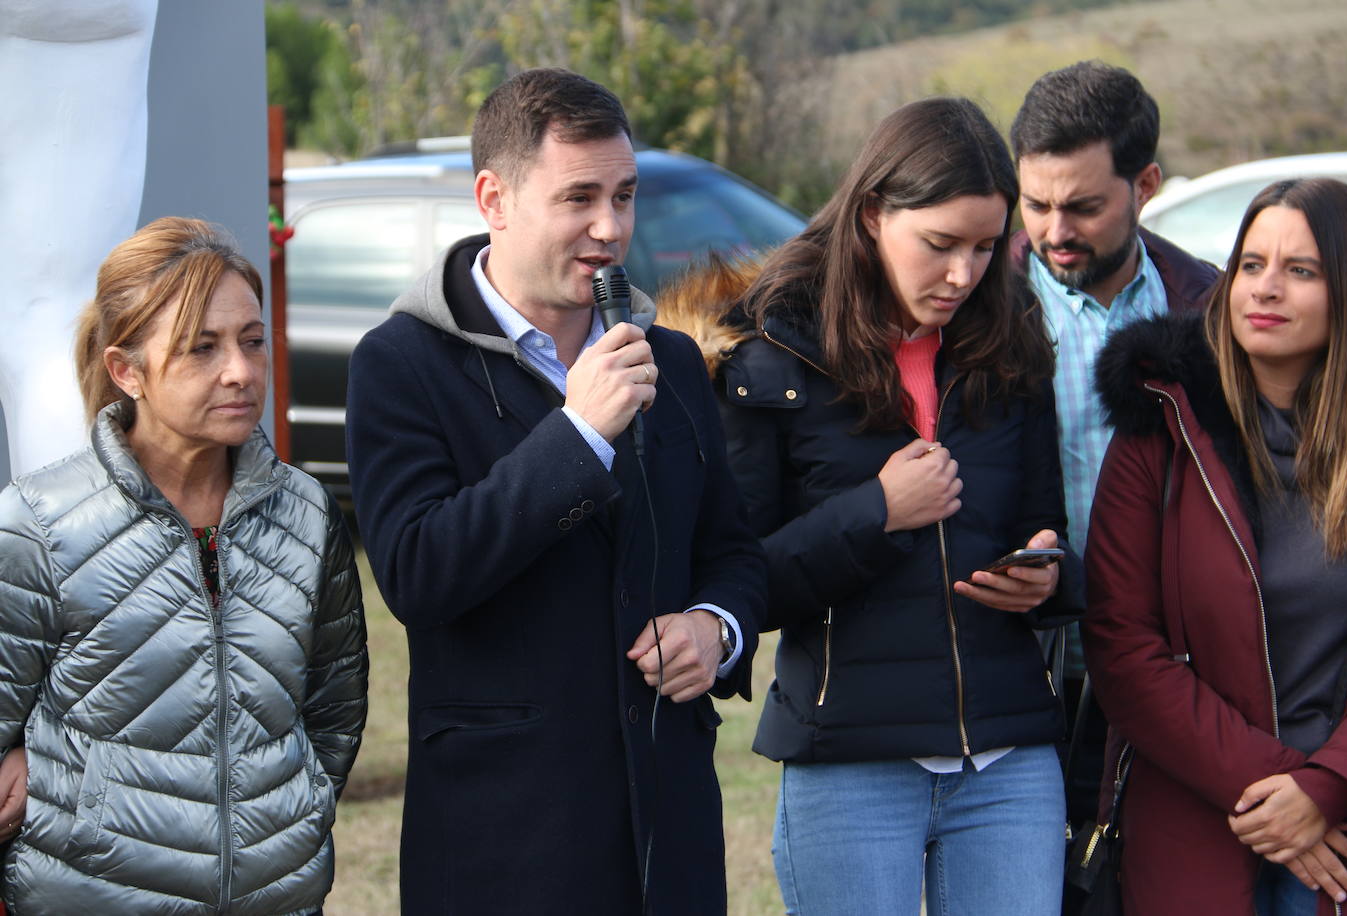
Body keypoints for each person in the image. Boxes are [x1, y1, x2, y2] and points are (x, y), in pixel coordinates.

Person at [344, 68, 766, 914]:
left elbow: (732, 554)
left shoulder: (671, 361)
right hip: (506, 840)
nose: (609, 227)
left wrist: (715, 630)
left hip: (667, 829)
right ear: (493, 199)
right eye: (578, 198)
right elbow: (419, 575)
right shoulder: (399, 365)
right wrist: (576, 436)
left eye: (625, 195)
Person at [664, 97, 1082, 914]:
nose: (963, 274)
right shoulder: (772, 350)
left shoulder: (1012, 333)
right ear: (870, 215)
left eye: (986, 248)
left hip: (1010, 760)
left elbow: (1048, 525)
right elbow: (741, 580)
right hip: (848, 763)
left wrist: (1049, 577)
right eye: (940, 244)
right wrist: (877, 512)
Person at [0, 216, 368, 912]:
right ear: (125, 370)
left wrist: (296, 814)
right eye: (202, 348)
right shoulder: (40, 523)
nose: (239, 370)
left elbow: (334, 717)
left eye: (251, 341)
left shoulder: (307, 514)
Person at [1085, 177, 1347, 914]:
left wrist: (1328, 786)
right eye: (1251, 265)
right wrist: (1281, 792)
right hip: (1198, 826)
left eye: (1300, 271)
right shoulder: (1161, 424)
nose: (1265, 289)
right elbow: (1123, 645)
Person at [1008, 59, 1219, 825]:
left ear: (1148, 184)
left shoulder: (1212, 308)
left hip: (1184, 665)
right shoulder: (977, 313)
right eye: (1035, 204)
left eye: (1084, 207)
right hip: (1029, 666)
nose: (1055, 232)